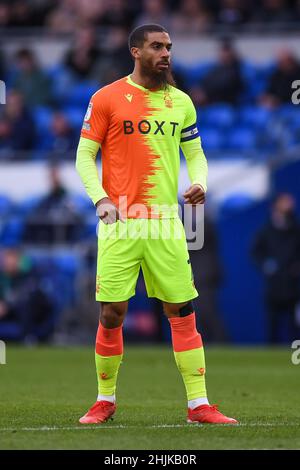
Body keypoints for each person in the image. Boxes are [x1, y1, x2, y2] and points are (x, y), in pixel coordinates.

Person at [76, 24, 238, 425]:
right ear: (135, 51)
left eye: (168, 46)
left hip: (166, 222)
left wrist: (200, 182)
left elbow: (195, 153)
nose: (165, 53)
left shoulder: (181, 102)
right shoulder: (106, 98)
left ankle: (199, 405)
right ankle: (105, 400)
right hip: (120, 220)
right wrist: (100, 200)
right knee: (113, 312)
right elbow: (84, 156)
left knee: (181, 311)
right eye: (156, 46)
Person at [252, 193, 300, 343]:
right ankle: (271, 354)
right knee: (273, 323)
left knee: (295, 325)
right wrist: (266, 265)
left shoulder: (296, 229)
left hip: (294, 285)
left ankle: (295, 355)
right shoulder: (266, 230)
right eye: (284, 201)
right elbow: (255, 252)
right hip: (274, 285)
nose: (289, 204)